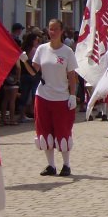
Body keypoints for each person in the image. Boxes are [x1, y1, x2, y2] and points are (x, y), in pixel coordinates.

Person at [31, 19, 78, 177]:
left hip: (61, 97)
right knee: (44, 131)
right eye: (50, 29)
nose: (53, 32)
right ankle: (51, 165)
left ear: (61, 31)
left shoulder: (67, 52)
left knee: (63, 130)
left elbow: (72, 76)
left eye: (56, 29)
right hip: (43, 96)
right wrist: (23, 61)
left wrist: (72, 95)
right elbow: (33, 71)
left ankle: (66, 164)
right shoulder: (42, 49)